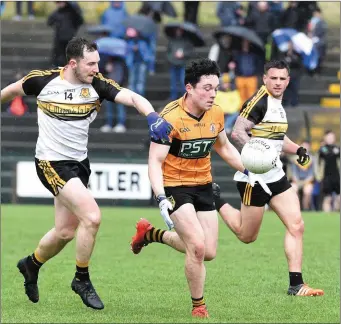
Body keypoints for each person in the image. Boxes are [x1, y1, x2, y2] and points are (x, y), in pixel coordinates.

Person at [0, 37, 172, 310]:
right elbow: (9, 92)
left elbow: (131, 96)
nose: (96, 68)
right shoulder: (42, 81)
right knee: (91, 218)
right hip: (50, 163)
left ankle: (31, 265)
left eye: (97, 63)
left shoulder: (97, 84)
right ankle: (81, 279)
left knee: (65, 232)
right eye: (91, 63)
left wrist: (152, 115)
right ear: (73, 63)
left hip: (79, 164)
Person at [130, 58, 270, 318]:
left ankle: (150, 234)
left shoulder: (216, 112)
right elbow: (155, 161)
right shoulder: (169, 118)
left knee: (209, 252)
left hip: (204, 184)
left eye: (215, 88)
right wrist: (161, 197)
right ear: (189, 88)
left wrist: (249, 171)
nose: (212, 94)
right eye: (207, 88)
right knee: (196, 246)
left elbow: (225, 148)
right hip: (174, 186)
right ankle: (199, 307)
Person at [213, 60, 324, 297]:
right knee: (247, 236)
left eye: (282, 79)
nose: (278, 83)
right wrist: (257, 153)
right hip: (255, 178)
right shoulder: (258, 101)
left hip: (276, 175)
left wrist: (299, 150)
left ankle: (296, 285)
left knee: (297, 225)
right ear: (265, 79)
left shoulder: (278, 104)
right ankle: (217, 201)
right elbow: (238, 132)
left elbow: (277, 137)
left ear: (288, 81)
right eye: (273, 78)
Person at [316, 130, 340, 212]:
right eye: (328, 137)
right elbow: (317, 163)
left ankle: (336, 213)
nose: (330, 139)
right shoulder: (322, 150)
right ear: (325, 138)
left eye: (331, 137)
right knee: (328, 198)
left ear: (334, 138)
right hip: (326, 177)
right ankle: (327, 216)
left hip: (337, 177)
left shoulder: (337, 149)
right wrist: (318, 176)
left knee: (338, 198)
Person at [290, 141, 315, 210]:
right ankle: (297, 208)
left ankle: (305, 208)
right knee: (293, 188)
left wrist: (305, 182)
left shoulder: (312, 159)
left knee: (307, 191)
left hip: (307, 181)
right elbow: (293, 173)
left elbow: (312, 174)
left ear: (309, 148)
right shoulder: (294, 159)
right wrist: (297, 181)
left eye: (307, 146)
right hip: (297, 181)